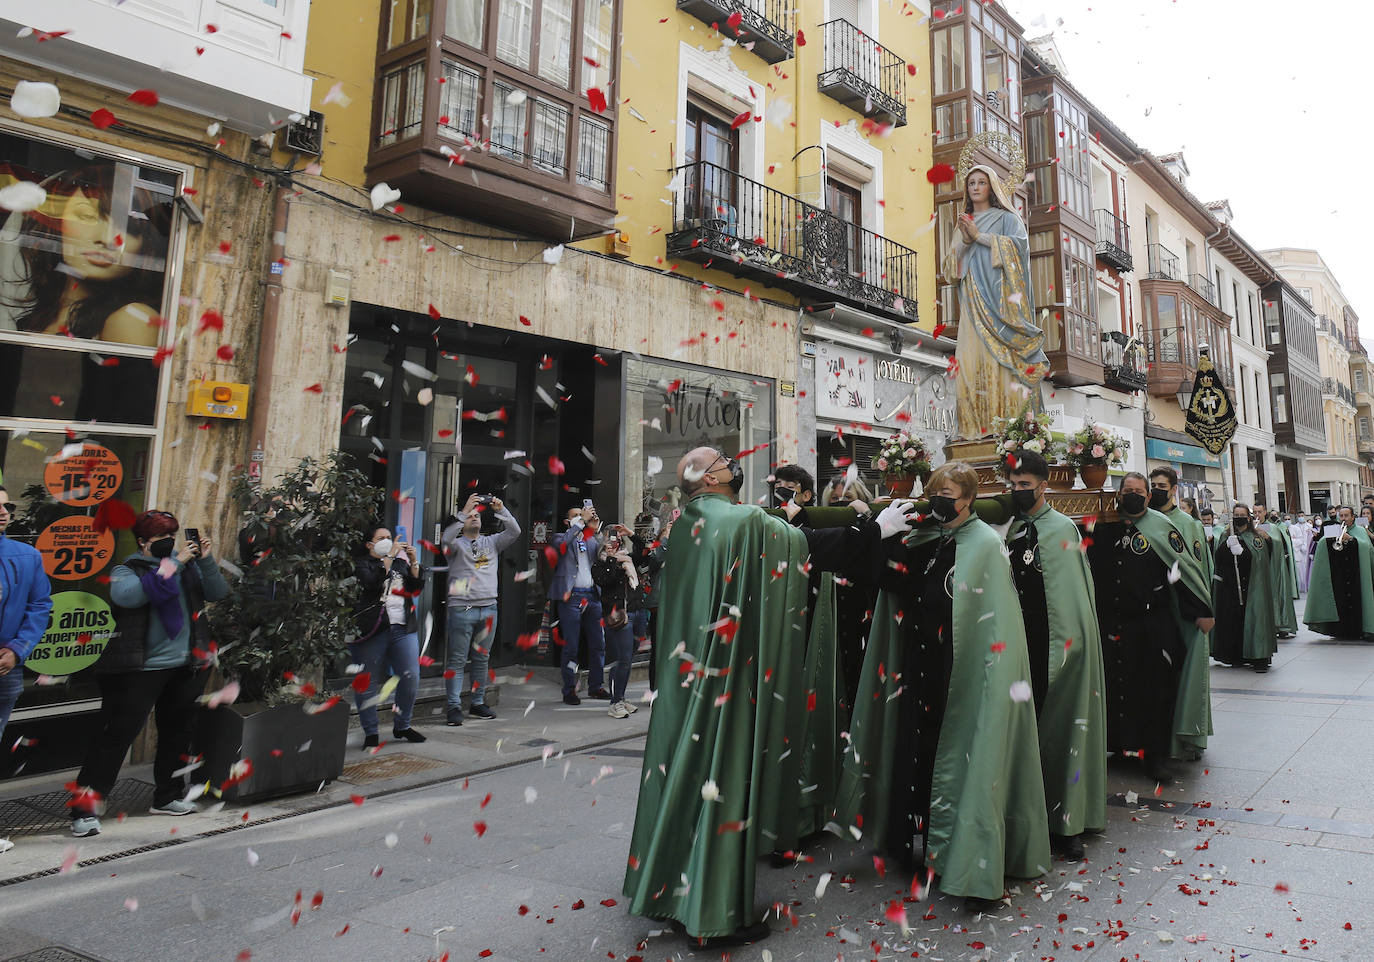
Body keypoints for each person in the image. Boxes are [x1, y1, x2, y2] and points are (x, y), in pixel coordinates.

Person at [623, 447, 912, 946]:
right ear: (713, 475)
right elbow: (803, 547)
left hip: (684, 681)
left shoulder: (688, 522)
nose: (735, 463)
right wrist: (874, 531)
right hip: (723, 684)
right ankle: (711, 917)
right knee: (719, 778)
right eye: (724, 459)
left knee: (686, 783)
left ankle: (673, 893)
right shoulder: (741, 521)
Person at [834, 460, 1050, 912]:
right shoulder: (925, 538)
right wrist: (878, 534)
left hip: (962, 672)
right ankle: (913, 845)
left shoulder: (987, 545)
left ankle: (960, 853)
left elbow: (996, 623)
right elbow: (892, 580)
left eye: (948, 494)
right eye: (935, 492)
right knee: (918, 760)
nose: (940, 501)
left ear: (969, 499)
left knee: (957, 762)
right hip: (919, 669)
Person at [68, 510, 229, 837]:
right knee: (116, 736)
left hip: (186, 664)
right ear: (142, 542)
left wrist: (206, 560)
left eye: (173, 537)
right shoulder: (127, 570)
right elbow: (130, 596)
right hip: (139, 668)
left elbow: (218, 592)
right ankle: (84, 810)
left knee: (178, 731)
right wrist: (178, 562)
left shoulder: (187, 567)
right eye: (161, 540)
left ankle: (167, 796)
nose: (170, 545)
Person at [1005, 450, 1106, 863]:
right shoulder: (1006, 528)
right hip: (1015, 643)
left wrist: (1074, 645)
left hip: (1055, 643)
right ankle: (1019, 819)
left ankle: (1066, 824)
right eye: (1012, 485)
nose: (1017, 492)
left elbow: (1075, 598)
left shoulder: (1063, 528)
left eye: (1025, 486)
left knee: (1062, 733)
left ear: (1043, 485)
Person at [1086, 474, 1214, 783]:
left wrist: (1200, 610)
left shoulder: (1161, 528)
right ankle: (1119, 747)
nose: (1133, 495)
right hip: (1111, 623)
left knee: (1154, 692)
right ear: (1118, 495)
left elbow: (1182, 569)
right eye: (1127, 491)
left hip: (1151, 625)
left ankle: (1154, 757)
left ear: (1147, 496)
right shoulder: (1104, 528)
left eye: (1138, 491)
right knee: (1116, 688)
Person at [948, 166, 1050, 438]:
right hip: (973, 303)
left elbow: (1019, 249)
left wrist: (979, 237)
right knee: (969, 364)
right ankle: (972, 430)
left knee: (1000, 365)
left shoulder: (1007, 218)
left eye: (982, 182)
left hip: (1001, 305)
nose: (976, 187)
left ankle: (1008, 428)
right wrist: (964, 241)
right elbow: (951, 270)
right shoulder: (964, 222)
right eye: (971, 183)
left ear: (992, 187)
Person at [1146, 467, 1213, 761]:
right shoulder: (1144, 521)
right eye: (1153, 485)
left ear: (1174, 489)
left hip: (1182, 607)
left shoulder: (1188, 524)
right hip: (1154, 607)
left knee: (1187, 672)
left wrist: (1201, 607)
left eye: (1161, 485)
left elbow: (1199, 570)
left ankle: (1188, 736)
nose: (1156, 489)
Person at [0, 488, 51, 851]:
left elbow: (39, 605)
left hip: (5, 669)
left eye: (6, 505)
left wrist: (17, 651)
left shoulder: (26, 555)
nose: (3, 512)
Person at [442, 494, 521, 725]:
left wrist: (502, 509)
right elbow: (445, 538)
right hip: (462, 608)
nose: (474, 518)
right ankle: (454, 707)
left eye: (477, 515)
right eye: (470, 517)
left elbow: (514, 531)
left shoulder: (492, 542)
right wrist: (464, 511)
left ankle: (477, 703)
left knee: (481, 659)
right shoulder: (455, 545)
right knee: (457, 660)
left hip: (489, 607)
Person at [349, 524, 425, 748]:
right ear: (369, 544)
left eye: (390, 537)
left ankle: (403, 725)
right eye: (382, 538)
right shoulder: (362, 564)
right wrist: (389, 556)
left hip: (402, 627)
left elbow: (415, 589)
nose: (388, 541)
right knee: (367, 682)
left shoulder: (400, 564)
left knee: (411, 676)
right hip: (373, 628)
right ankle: (371, 732)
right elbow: (371, 583)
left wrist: (413, 562)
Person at [549, 504, 610, 705]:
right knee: (571, 646)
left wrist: (595, 528)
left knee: (598, 644)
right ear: (568, 521)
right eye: (575, 515)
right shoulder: (560, 536)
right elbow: (563, 545)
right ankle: (569, 690)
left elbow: (603, 553)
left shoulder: (590, 539)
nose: (581, 516)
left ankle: (596, 686)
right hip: (571, 597)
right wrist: (581, 523)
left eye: (581, 514)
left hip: (592, 596)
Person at [1211, 505, 1277, 671]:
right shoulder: (1226, 535)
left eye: (1242, 515)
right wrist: (1227, 547)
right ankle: (1236, 655)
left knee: (1255, 620)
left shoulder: (1256, 537)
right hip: (1231, 587)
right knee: (1233, 622)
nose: (1239, 517)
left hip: (1253, 586)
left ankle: (1258, 656)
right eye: (1236, 515)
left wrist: (1243, 552)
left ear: (1249, 517)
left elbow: (1262, 558)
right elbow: (1218, 559)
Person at [1305, 506, 1374, 639]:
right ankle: (1340, 631)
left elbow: (1366, 547)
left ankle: (1358, 630)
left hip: (1356, 574)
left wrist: (1351, 540)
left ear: (1353, 517)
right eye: (1341, 516)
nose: (1343, 519)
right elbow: (1322, 545)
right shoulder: (1334, 529)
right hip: (1339, 574)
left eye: (1346, 516)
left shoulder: (1359, 530)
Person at [592, 526, 640, 719]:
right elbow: (605, 580)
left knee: (628, 659)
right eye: (608, 543)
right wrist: (612, 558)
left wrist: (631, 534)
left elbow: (644, 553)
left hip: (636, 611)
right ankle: (615, 702)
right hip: (619, 615)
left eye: (616, 542)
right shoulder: (601, 564)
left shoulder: (628, 559)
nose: (613, 545)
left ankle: (620, 695)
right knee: (624, 660)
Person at [1255, 503, 1298, 638]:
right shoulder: (1250, 527)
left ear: (1264, 512)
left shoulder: (1272, 527)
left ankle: (1280, 625)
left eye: (1259, 512)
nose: (1257, 515)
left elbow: (1279, 544)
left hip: (1272, 566)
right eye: (1255, 512)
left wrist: (1267, 537)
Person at [1290, 513, 1315, 594]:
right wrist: (1299, 547)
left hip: (1308, 549)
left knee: (1307, 568)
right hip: (1299, 550)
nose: (1301, 517)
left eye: (1302, 516)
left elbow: (1312, 538)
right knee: (1300, 570)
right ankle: (1301, 587)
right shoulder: (1295, 526)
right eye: (1299, 516)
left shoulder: (1309, 526)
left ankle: (1308, 586)